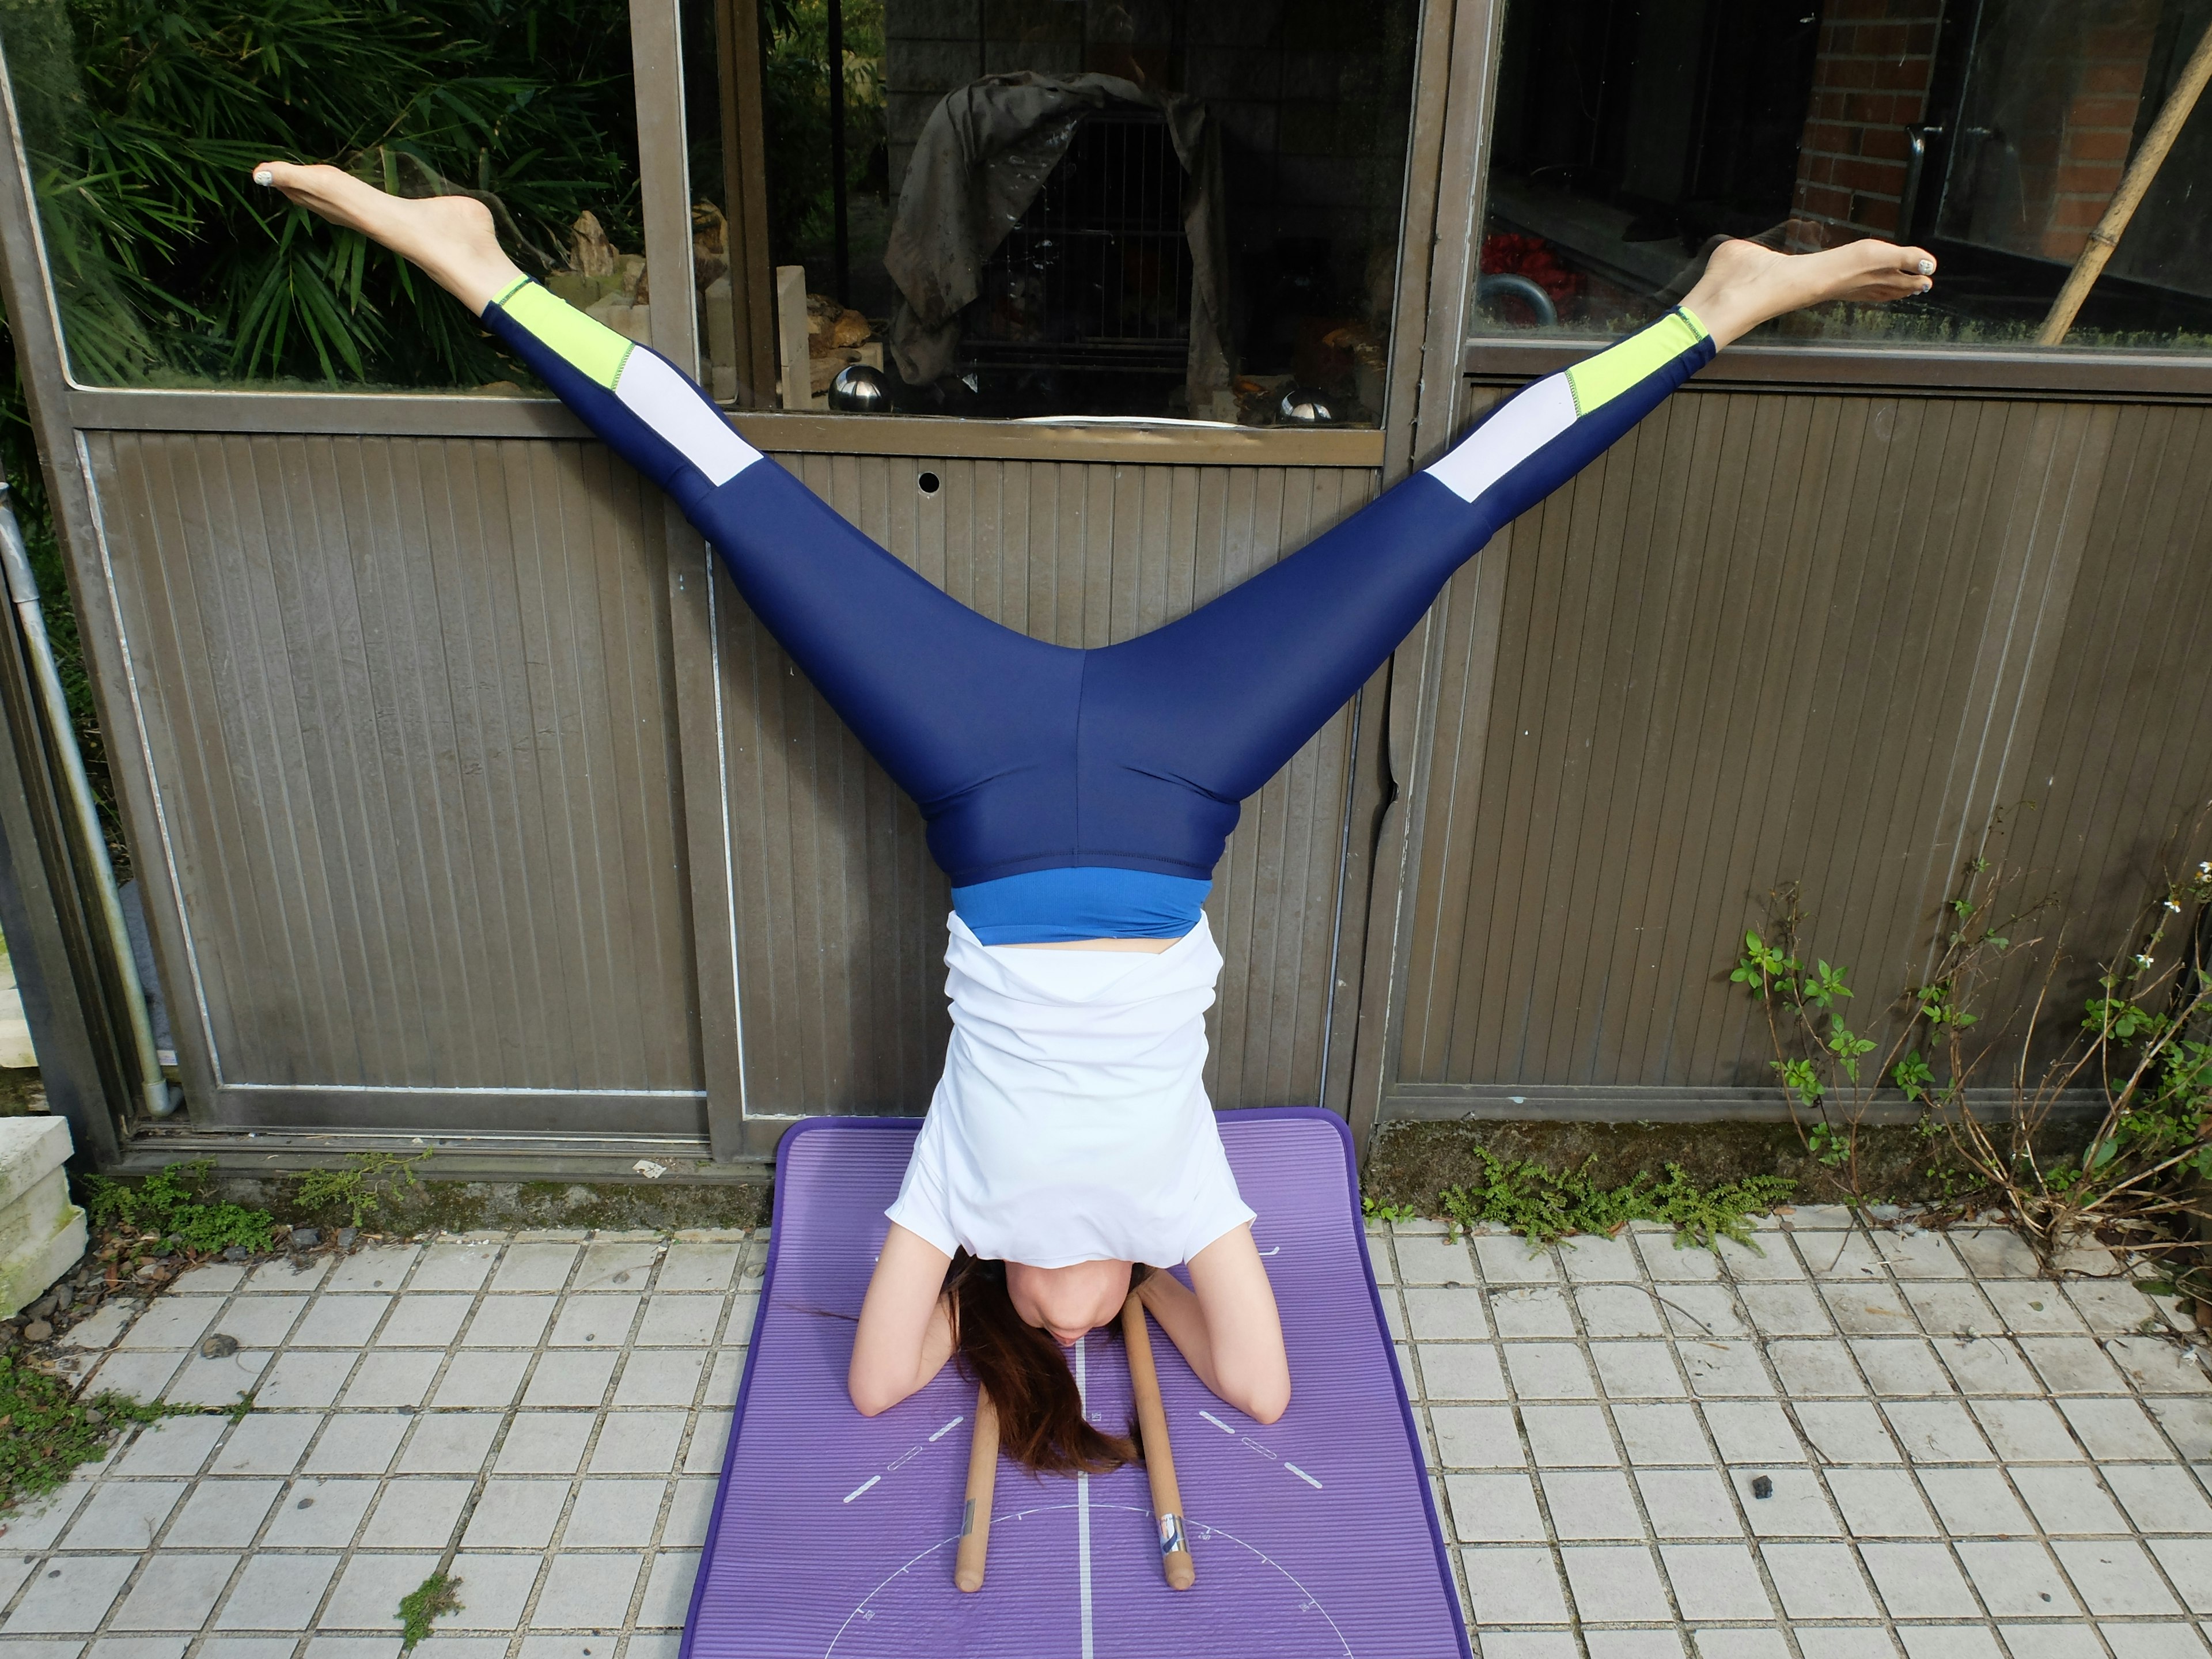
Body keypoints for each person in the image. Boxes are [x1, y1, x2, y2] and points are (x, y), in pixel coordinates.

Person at [249, 160, 1937, 1472]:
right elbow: (1264, 1392)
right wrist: (1156, 1333)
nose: (1073, 1329)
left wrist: (997, 1326)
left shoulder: (957, 1205)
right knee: (1442, 517)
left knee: (735, 499)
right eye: (1098, 1329)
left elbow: (875, 1376)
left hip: (983, 781)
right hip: (1175, 783)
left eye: (1039, 1338)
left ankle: (477, 263)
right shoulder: (1179, 1210)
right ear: (1132, 1294)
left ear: (992, 1303)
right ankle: (1716, 306)